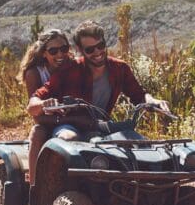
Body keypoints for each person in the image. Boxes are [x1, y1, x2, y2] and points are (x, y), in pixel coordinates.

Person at [27, 19, 169, 129]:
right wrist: (42, 103)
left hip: (102, 127)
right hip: (71, 127)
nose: (97, 52)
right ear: (80, 50)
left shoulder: (120, 68)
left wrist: (153, 101)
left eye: (100, 46)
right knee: (68, 139)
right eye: (90, 49)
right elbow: (34, 101)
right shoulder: (68, 70)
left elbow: (139, 95)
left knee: (134, 144)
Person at [17, 28, 77, 205]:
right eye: (53, 51)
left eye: (64, 48)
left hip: (74, 119)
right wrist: (59, 118)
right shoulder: (34, 73)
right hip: (47, 121)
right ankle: (33, 198)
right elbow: (35, 114)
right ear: (44, 52)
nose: (60, 54)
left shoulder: (73, 66)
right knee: (37, 133)